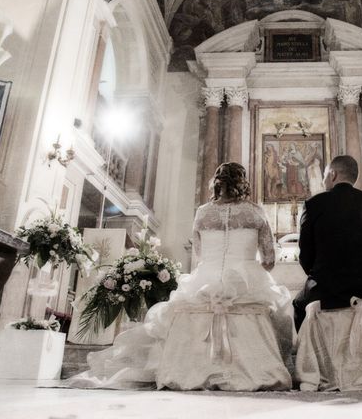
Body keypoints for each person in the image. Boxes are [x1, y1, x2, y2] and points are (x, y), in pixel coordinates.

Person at [67, 163, 293, 391]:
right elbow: (269, 259)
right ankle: (255, 372)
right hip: (247, 278)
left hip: (206, 277)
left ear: (217, 182)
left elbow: (199, 253)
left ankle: (188, 372)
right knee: (268, 312)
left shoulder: (203, 212)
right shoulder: (256, 212)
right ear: (242, 182)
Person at [293, 155, 362, 330]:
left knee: (298, 304)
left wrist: (320, 275)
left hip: (327, 290)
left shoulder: (314, 204)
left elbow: (305, 255)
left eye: (324, 174)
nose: (324, 179)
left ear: (332, 174)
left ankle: (312, 355)